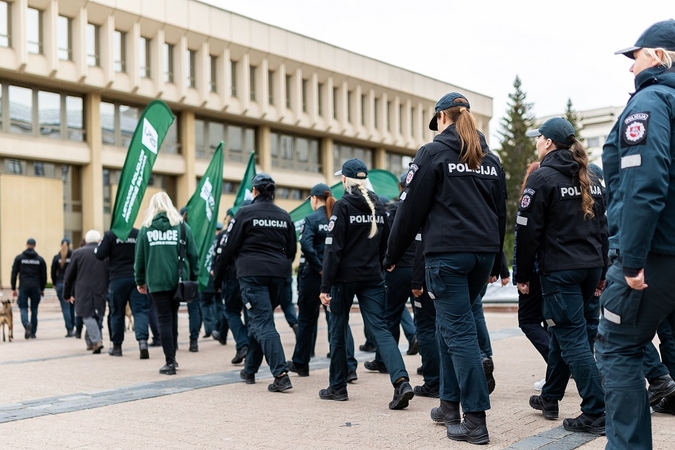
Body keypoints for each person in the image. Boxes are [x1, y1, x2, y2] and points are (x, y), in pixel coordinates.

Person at [383, 92, 506, 445]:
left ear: (441, 118)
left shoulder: (432, 153)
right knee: (446, 327)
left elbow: (409, 211)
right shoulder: (490, 159)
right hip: (481, 254)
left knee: (459, 333)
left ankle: (475, 420)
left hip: (448, 255)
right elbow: (500, 214)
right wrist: (498, 259)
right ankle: (449, 406)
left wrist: (392, 254)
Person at [595, 20, 675, 449]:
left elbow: (644, 181)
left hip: (656, 253)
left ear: (660, 56)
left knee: (617, 349)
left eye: (637, 55)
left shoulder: (651, 100)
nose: (631, 67)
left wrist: (631, 257)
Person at [515, 117, 607, 434]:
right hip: (589, 268)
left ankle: (597, 410)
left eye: (538, 138)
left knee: (571, 337)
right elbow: (603, 228)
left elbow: (527, 232)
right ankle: (550, 396)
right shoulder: (592, 176)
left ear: (550, 143)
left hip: (561, 270)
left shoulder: (542, 178)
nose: (536, 143)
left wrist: (523, 275)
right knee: (561, 333)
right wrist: (602, 272)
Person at [320, 158, 414, 409]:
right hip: (373, 277)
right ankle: (401, 381)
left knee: (338, 330)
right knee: (381, 329)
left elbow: (333, 249)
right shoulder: (377, 204)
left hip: (343, 279)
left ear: (345, 180)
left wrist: (325, 286)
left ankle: (338, 387)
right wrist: (386, 262)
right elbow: (385, 239)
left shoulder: (342, 206)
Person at [219, 173, 296, 392]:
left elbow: (229, 247)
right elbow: (291, 249)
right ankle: (250, 370)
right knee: (259, 320)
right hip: (278, 275)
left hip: (252, 274)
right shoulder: (284, 215)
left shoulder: (244, 213)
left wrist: (219, 275)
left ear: (254, 191)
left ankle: (280, 375)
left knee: (262, 322)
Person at [288, 183, 358, 381]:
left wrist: (320, 267)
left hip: (313, 276)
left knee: (307, 320)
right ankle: (350, 366)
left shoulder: (311, 219)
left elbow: (306, 245)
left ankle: (301, 363)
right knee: (338, 320)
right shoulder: (339, 215)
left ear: (314, 198)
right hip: (337, 275)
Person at [135, 192, 199, 375]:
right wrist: (194, 278)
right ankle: (173, 357)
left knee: (163, 318)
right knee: (173, 316)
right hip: (178, 281)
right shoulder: (183, 228)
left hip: (156, 282)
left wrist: (140, 280)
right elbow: (193, 256)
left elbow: (139, 258)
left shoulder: (146, 229)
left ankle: (170, 361)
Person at [513, 161, 550, 391]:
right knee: (552, 323)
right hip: (555, 268)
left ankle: (559, 365)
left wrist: (521, 276)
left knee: (528, 320)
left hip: (535, 270)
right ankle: (556, 371)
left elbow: (523, 241)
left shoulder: (531, 199)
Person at [96, 227, 152, 359]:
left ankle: (117, 347)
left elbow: (99, 254)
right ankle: (143, 343)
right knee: (140, 311)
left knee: (117, 312)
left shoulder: (111, 234)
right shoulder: (138, 234)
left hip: (117, 279)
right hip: (136, 277)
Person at [213, 205, 250, 365]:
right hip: (251, 277)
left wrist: (217, 281)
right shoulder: (253, 232)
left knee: (231, 311)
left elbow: (220, 259)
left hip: (232, 278)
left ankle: (243, 345)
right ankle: (248, 349)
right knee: (251, 314)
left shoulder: (225, 235)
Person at [63, 230, 109, 354]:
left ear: (86, 240)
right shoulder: (105, 254)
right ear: (99, 240)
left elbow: (69, 276)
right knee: (96, 315)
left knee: (87, 316)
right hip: (101, 289)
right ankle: (91, 342)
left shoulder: (78, 253)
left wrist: (67, 294)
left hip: (83, 290)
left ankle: (96, 341)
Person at [11, 238, 47, 339]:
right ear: (34, 246)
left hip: (24, 286)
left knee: (23, 307)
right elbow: (43, 275)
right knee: (34, 309)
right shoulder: (40, 259)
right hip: (35, 286)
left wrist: (13, 288)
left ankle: (26, 324)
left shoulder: (19, 258)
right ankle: (33, 332)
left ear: (26, 245)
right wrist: (42, 288)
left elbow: (14, 273)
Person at [51, 238, 75, 337]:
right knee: (73, 307)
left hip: (61, 284)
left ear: (61, 245)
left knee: (65, 308)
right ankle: (74, 327)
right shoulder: (74, 255)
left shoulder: (57, 257)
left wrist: (54, 283)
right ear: (70, 245)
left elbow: (53, 272)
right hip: (73, 284)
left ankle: (69, 329)